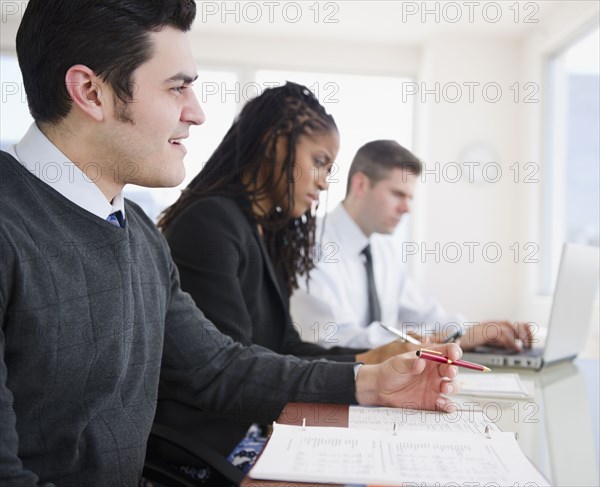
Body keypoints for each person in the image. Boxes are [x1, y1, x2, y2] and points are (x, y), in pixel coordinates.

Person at [0, 3, 461, 486]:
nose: (197, 113)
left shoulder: (135, 231)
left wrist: (371, 384)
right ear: (91, 92)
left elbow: (216, 367)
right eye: (177, 87)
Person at [156, 82, 416, 461]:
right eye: (320, 161)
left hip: (254, 432)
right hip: (208, 450)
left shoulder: (265, 232)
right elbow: (230, 372)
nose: (326, 182)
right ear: (276, 142)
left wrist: (376, 357)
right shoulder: (210, 224)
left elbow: (285, 347)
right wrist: (365, 377)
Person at [290, 140, 534, 350]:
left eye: (410, 198)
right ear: (361, 185)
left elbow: (424, 315)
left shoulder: (382, 249)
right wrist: (453, 338)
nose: (406, 208)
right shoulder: (312, 243)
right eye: (398, 194)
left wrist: (475, 331)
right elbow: (332, 339)